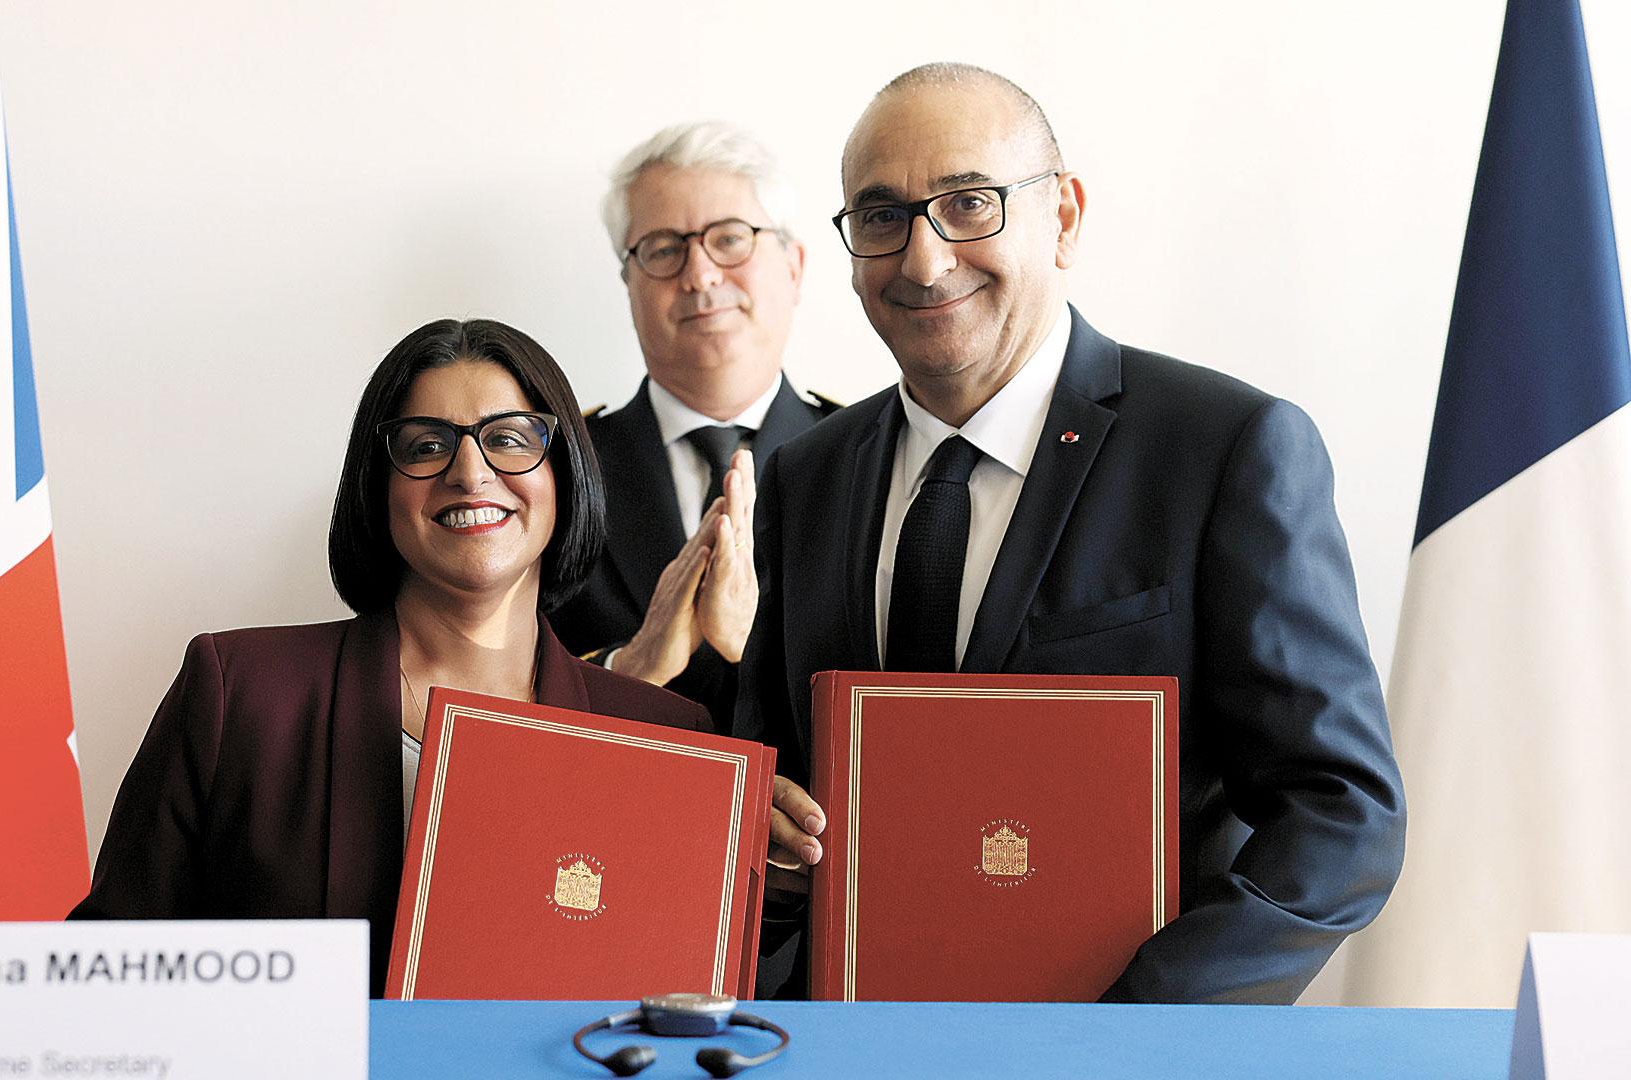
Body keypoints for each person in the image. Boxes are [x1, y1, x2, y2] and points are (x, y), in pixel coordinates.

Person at [737, 64, 1405, 1004]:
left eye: (970, 203)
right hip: (849, 1041)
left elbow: (1342, 814)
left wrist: (1137, 1032)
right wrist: (758, 835)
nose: (924, 260)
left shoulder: (1222, 448)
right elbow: (774, 779)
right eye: (883, 217)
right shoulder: (806, 474)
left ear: (1064, 217)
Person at [72, 319, 708, 996]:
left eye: (510, 439)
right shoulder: (241, 694)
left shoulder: (668, 741)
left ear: (566, 475)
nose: (470, 473)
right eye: (427, 445)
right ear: (379, 486)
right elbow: (109, 977)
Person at [549, 122, 838, 733]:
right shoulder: (554, 472)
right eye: (662, 248)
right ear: (628, 283)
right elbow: (503, 696)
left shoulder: (869, 458)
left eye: (730, 239)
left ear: (794, 267)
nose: (701, 275)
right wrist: (629, 665)